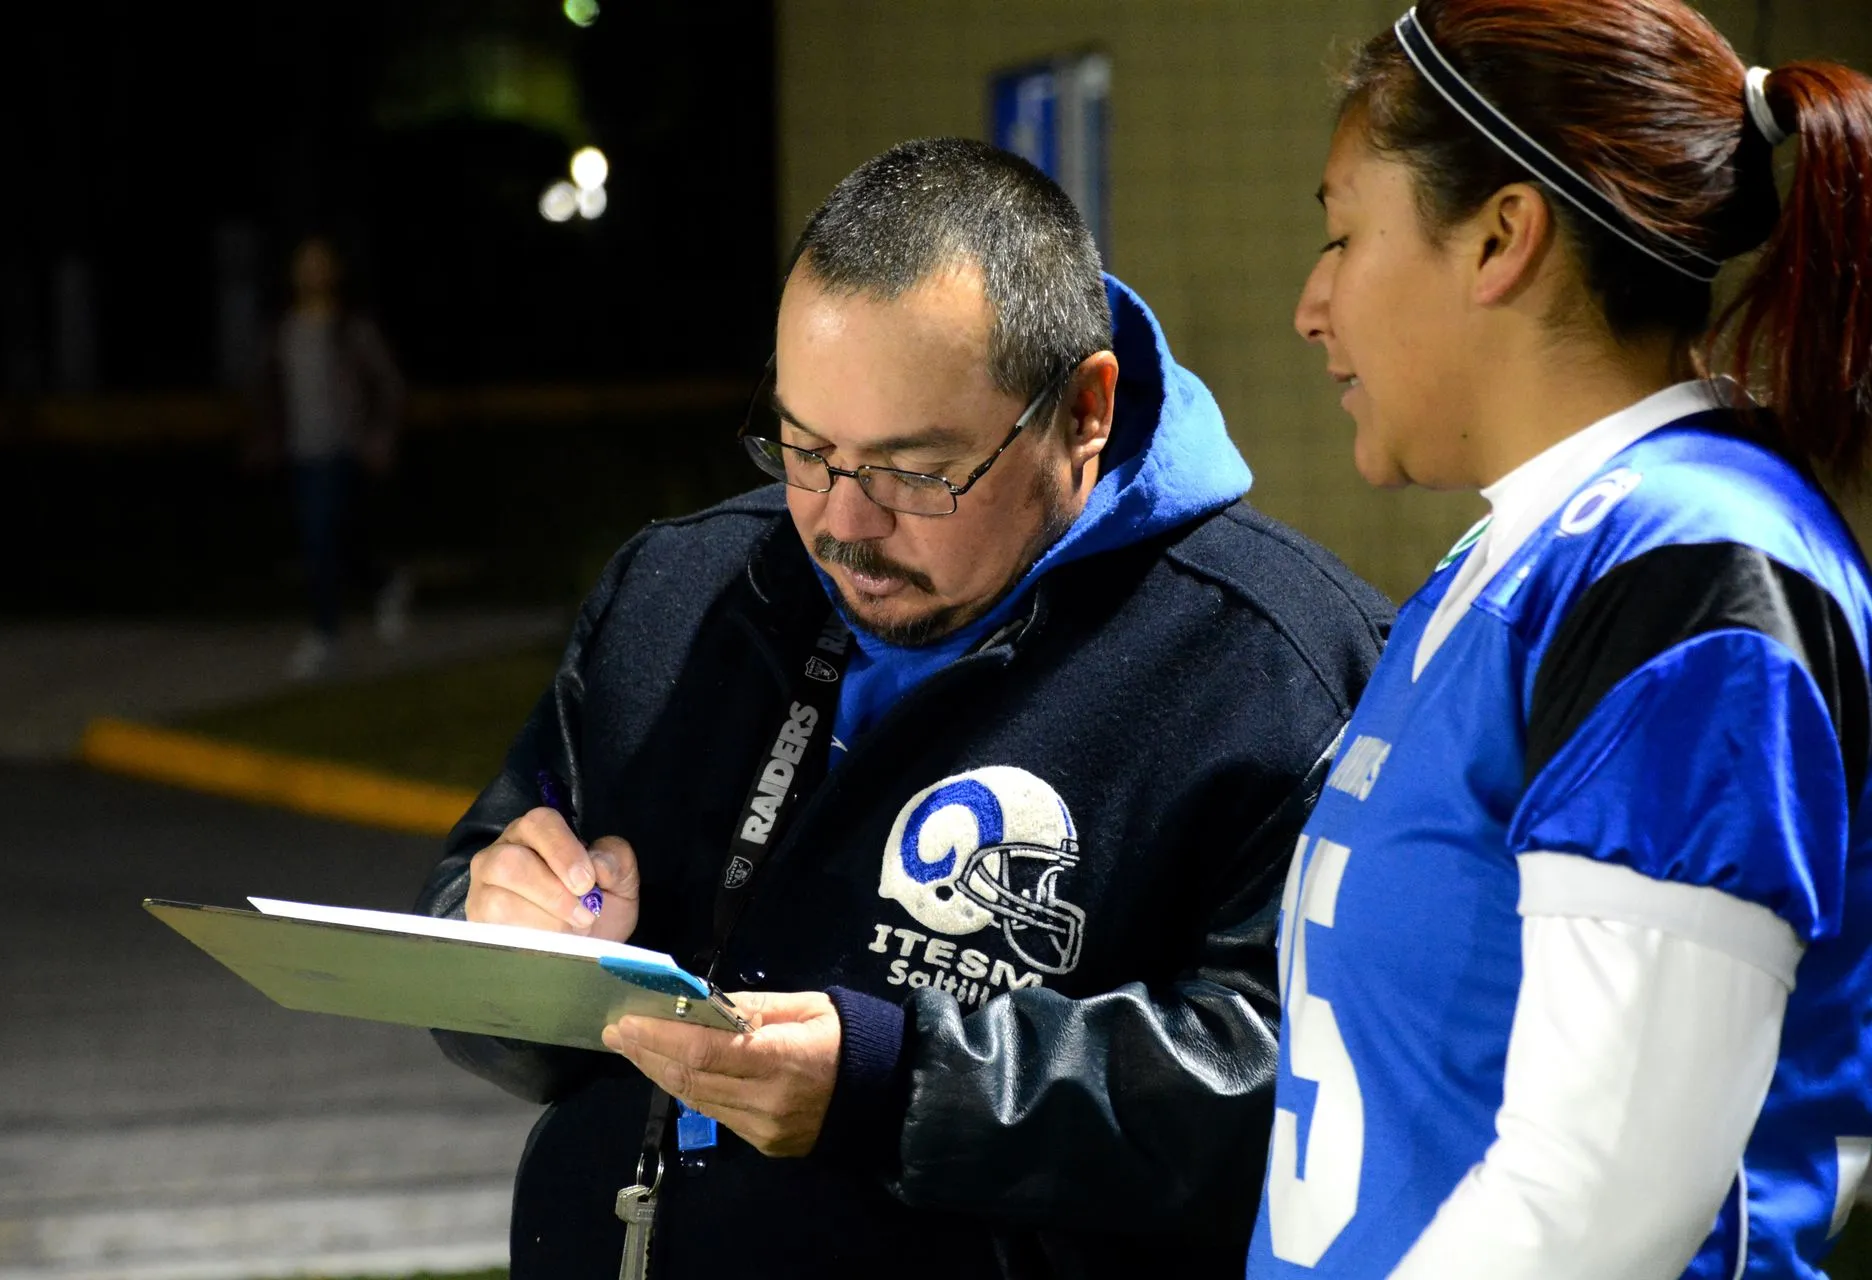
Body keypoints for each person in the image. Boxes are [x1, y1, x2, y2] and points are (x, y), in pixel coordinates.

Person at [415, 138, 1390, 1278]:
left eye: (914, 471)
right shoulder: (680, 590)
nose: (842, 523)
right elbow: (479, 902)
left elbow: (1302, 1086)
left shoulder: (1279, 666)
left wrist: (895, 1085)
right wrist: (504, 941)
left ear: (1085, 409)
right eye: (803, 446)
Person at [1249, 3, 1872, 1276]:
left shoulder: (1692, 570)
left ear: (1501, 236)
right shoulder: (1522, 551)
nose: (1313, 305)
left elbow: (1598, 1207)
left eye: (1343, 234)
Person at [252, 234, 409, 679]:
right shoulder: (285, 331)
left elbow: (389, 385)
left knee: (323, 539)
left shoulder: (350, 329)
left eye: (320, 264)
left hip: (343, 452)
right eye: (305, 264)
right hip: (302, 453)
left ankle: (326, 636)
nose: (312, 273)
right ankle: (384, 584)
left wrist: (379, 439)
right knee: (333, 541)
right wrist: (266, 437)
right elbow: (267, 389)